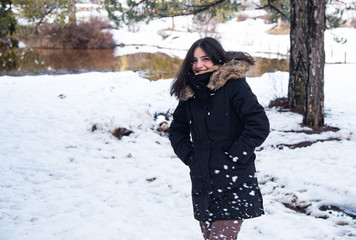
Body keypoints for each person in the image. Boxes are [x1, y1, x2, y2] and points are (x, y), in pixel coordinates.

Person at [169, 37, 270, 240]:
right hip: (203, 181)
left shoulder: (234, 87)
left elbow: (258, 124)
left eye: (205, 58)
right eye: (194, 60)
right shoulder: (190, 94)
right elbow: (177, 131)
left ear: (217, 59)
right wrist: (190, 157)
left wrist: (234, 155)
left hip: (233, 180)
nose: (199, 65)